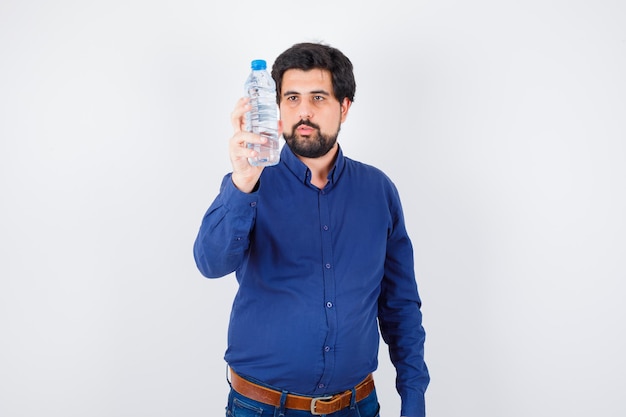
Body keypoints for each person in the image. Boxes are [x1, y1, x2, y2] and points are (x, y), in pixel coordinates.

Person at [193, 42, 429, 417]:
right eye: (291, 98)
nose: (303, 111)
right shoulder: (249, 183)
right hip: (261, 408)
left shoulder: (378, 190)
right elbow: (210, 262)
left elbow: (400, 304)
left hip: (357, 407)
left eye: (318, 97)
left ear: (344, 107)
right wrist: (243, 181)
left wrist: (413, 398)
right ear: (277, 108)